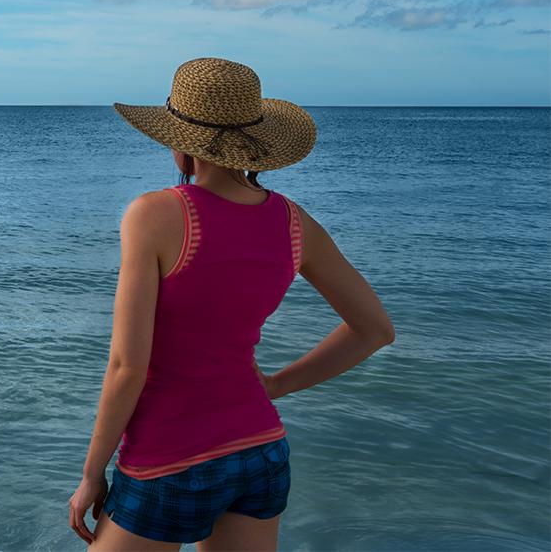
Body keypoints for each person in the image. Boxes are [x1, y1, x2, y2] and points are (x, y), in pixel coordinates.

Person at [68, 57, 395, 551]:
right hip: (261, 452)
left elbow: (126, 367)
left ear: (179, 141)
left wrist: (92, 474)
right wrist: (277, 385)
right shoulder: (292, 221)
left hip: (168, 459)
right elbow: (375, 330)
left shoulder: (155, 214)